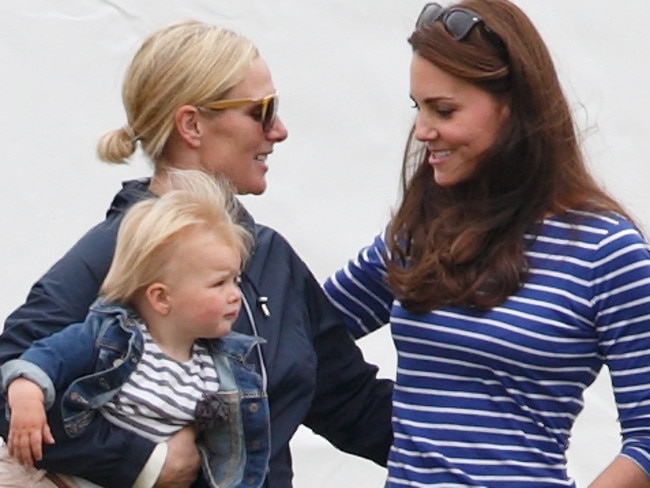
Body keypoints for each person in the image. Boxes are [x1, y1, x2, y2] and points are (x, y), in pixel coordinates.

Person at [0, 20, 393, 488]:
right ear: (191, 124)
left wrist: (486, 437)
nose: (281, 130)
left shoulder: (271, 257)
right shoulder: (120, 249)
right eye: (262, 111)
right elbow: (11, 380)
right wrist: (145, 464)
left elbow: (352, 403)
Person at [323, 1, 650, 486]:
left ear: (513, 105)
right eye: (419, 107)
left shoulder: (607, 251)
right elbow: (301, 328)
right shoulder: (420, 230)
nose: (422, 131)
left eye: (444, 109)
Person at [0, 169, 269, 488]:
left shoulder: (220, 372)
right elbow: (44, 358)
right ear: (161, 298)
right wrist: (27, 397)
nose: (235, 294)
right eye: (219, 283)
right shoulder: (110, 336)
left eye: (236, 280)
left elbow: (226, 460)